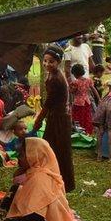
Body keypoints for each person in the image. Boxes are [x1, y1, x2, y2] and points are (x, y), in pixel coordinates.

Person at [34, 46, 75, 192]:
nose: (47, 64)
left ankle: (60, 182)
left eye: (51, 61)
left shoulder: (56, 78)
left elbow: (48, 103)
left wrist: (38, 121)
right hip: (57, 116)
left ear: (58, 62)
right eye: (45, 61)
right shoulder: (54, 74)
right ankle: (55, 180)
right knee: (55, 150)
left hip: (59, 119)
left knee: (55, 150)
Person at [68, 63, 95, 134]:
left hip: (78, 103)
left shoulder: (75, 82)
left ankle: (79, 132)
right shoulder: (88, 80)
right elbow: (93, 89)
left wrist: (70, 87)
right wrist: (98, 98)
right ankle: (88, 131)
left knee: (78, 118)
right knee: (87, 117)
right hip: (87, 102)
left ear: (75, 73)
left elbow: (72, 92)